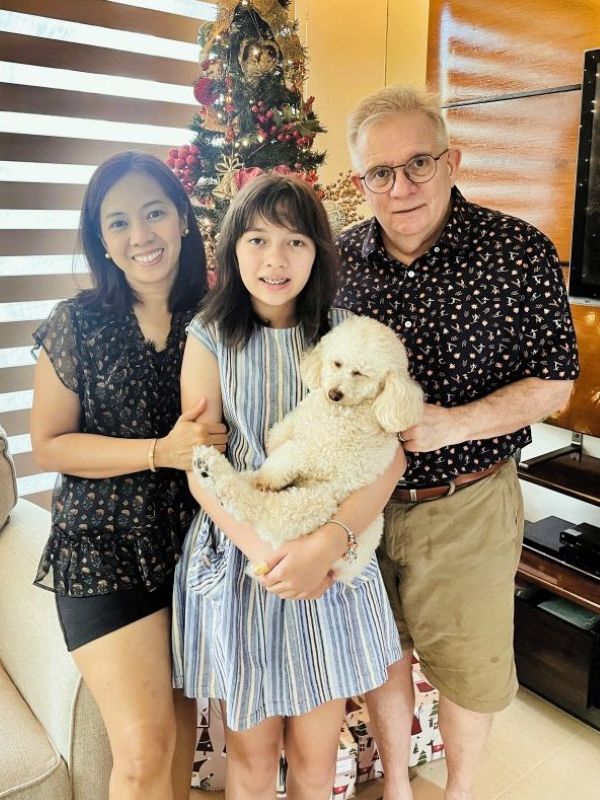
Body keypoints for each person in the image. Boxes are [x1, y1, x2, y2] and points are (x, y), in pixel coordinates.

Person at [336, 85, 580, 800]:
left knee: (468, 669)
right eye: (380, 172)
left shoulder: (517, 251)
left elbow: (554, 383)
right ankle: (399, 786)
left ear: (452, 161)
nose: (401, 186)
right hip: (363, 506)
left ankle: (462, 790)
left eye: (419, 163)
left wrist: (454, 422)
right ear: (360, 181)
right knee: (381, 655)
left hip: (467, 502)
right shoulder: (338, 259)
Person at [172, 173, 405, 800]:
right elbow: (200, 466)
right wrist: (267, 552)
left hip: (331, 558)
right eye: (257, 239)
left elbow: (388, 458)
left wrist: (328, 544)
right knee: (250, 760)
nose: (275, 259)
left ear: (317, 252)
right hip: (245, 558)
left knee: (315, 757)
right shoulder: (208, 336)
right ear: (232, 248)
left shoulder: (346, 334)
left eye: (295, 241)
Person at [30, 150, 228, 800]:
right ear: (102, 239)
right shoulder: (77, 322)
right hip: (102, 552)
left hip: (194, 553)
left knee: (179, 740)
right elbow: (49, 445)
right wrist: (158, 451)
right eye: (118, 222)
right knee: (143, 751)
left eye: (153, 213)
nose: (140, 234)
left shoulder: (217, 317)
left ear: (181, 219)